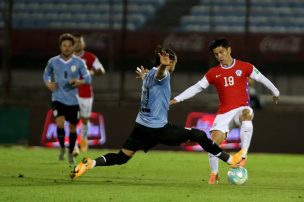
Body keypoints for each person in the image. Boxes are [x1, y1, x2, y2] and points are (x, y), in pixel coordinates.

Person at [70, 46, 244, 179]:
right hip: (157, 129)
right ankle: (230, 160)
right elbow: (161, 74)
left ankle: (91, 164)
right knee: (199, 135)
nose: (174, 66)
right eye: (174, 62)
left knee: (122, 157)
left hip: (141, 127)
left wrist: (152, 71)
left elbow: (153, 76)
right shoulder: (163, 74)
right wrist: (163, 66)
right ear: (170, 62)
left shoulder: (148, 75)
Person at [170, 38, 280, 184]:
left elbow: (262, 79)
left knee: (247, 114)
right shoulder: (213, 73)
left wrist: (275, 92)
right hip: (224, 114)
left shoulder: (245, 67)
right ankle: (214, 174)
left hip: (241, 108)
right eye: (216, 54)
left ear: (229, 50)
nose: (219, 56)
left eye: (221, 52)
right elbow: (196, 87)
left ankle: (243, 154)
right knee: (213, 143)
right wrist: (177, 99)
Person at [43, 33, 92, 164]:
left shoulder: (79, 62)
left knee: (72, 128)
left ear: (73, 47)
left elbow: (88, 78)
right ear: (60, 47)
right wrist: (48, 83)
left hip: (73, 101)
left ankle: (70, 151)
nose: (67, 48)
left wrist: (79, 81)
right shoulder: (53, 61)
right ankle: (62, 147)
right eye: (64, 45)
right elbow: (46, 74)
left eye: (69, 46)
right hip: (57, 98)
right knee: (59, 122)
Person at [73, 33, 106, 152]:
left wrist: (91, 73)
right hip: (71, 93)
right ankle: (74, 145)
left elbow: (101, 70)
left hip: (86, 93)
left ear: (84, 43)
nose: (78, 44)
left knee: (85, 119)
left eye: (80, 41)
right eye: (75, 42)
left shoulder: (90, 57)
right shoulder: (67, 58)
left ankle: (83, 139)